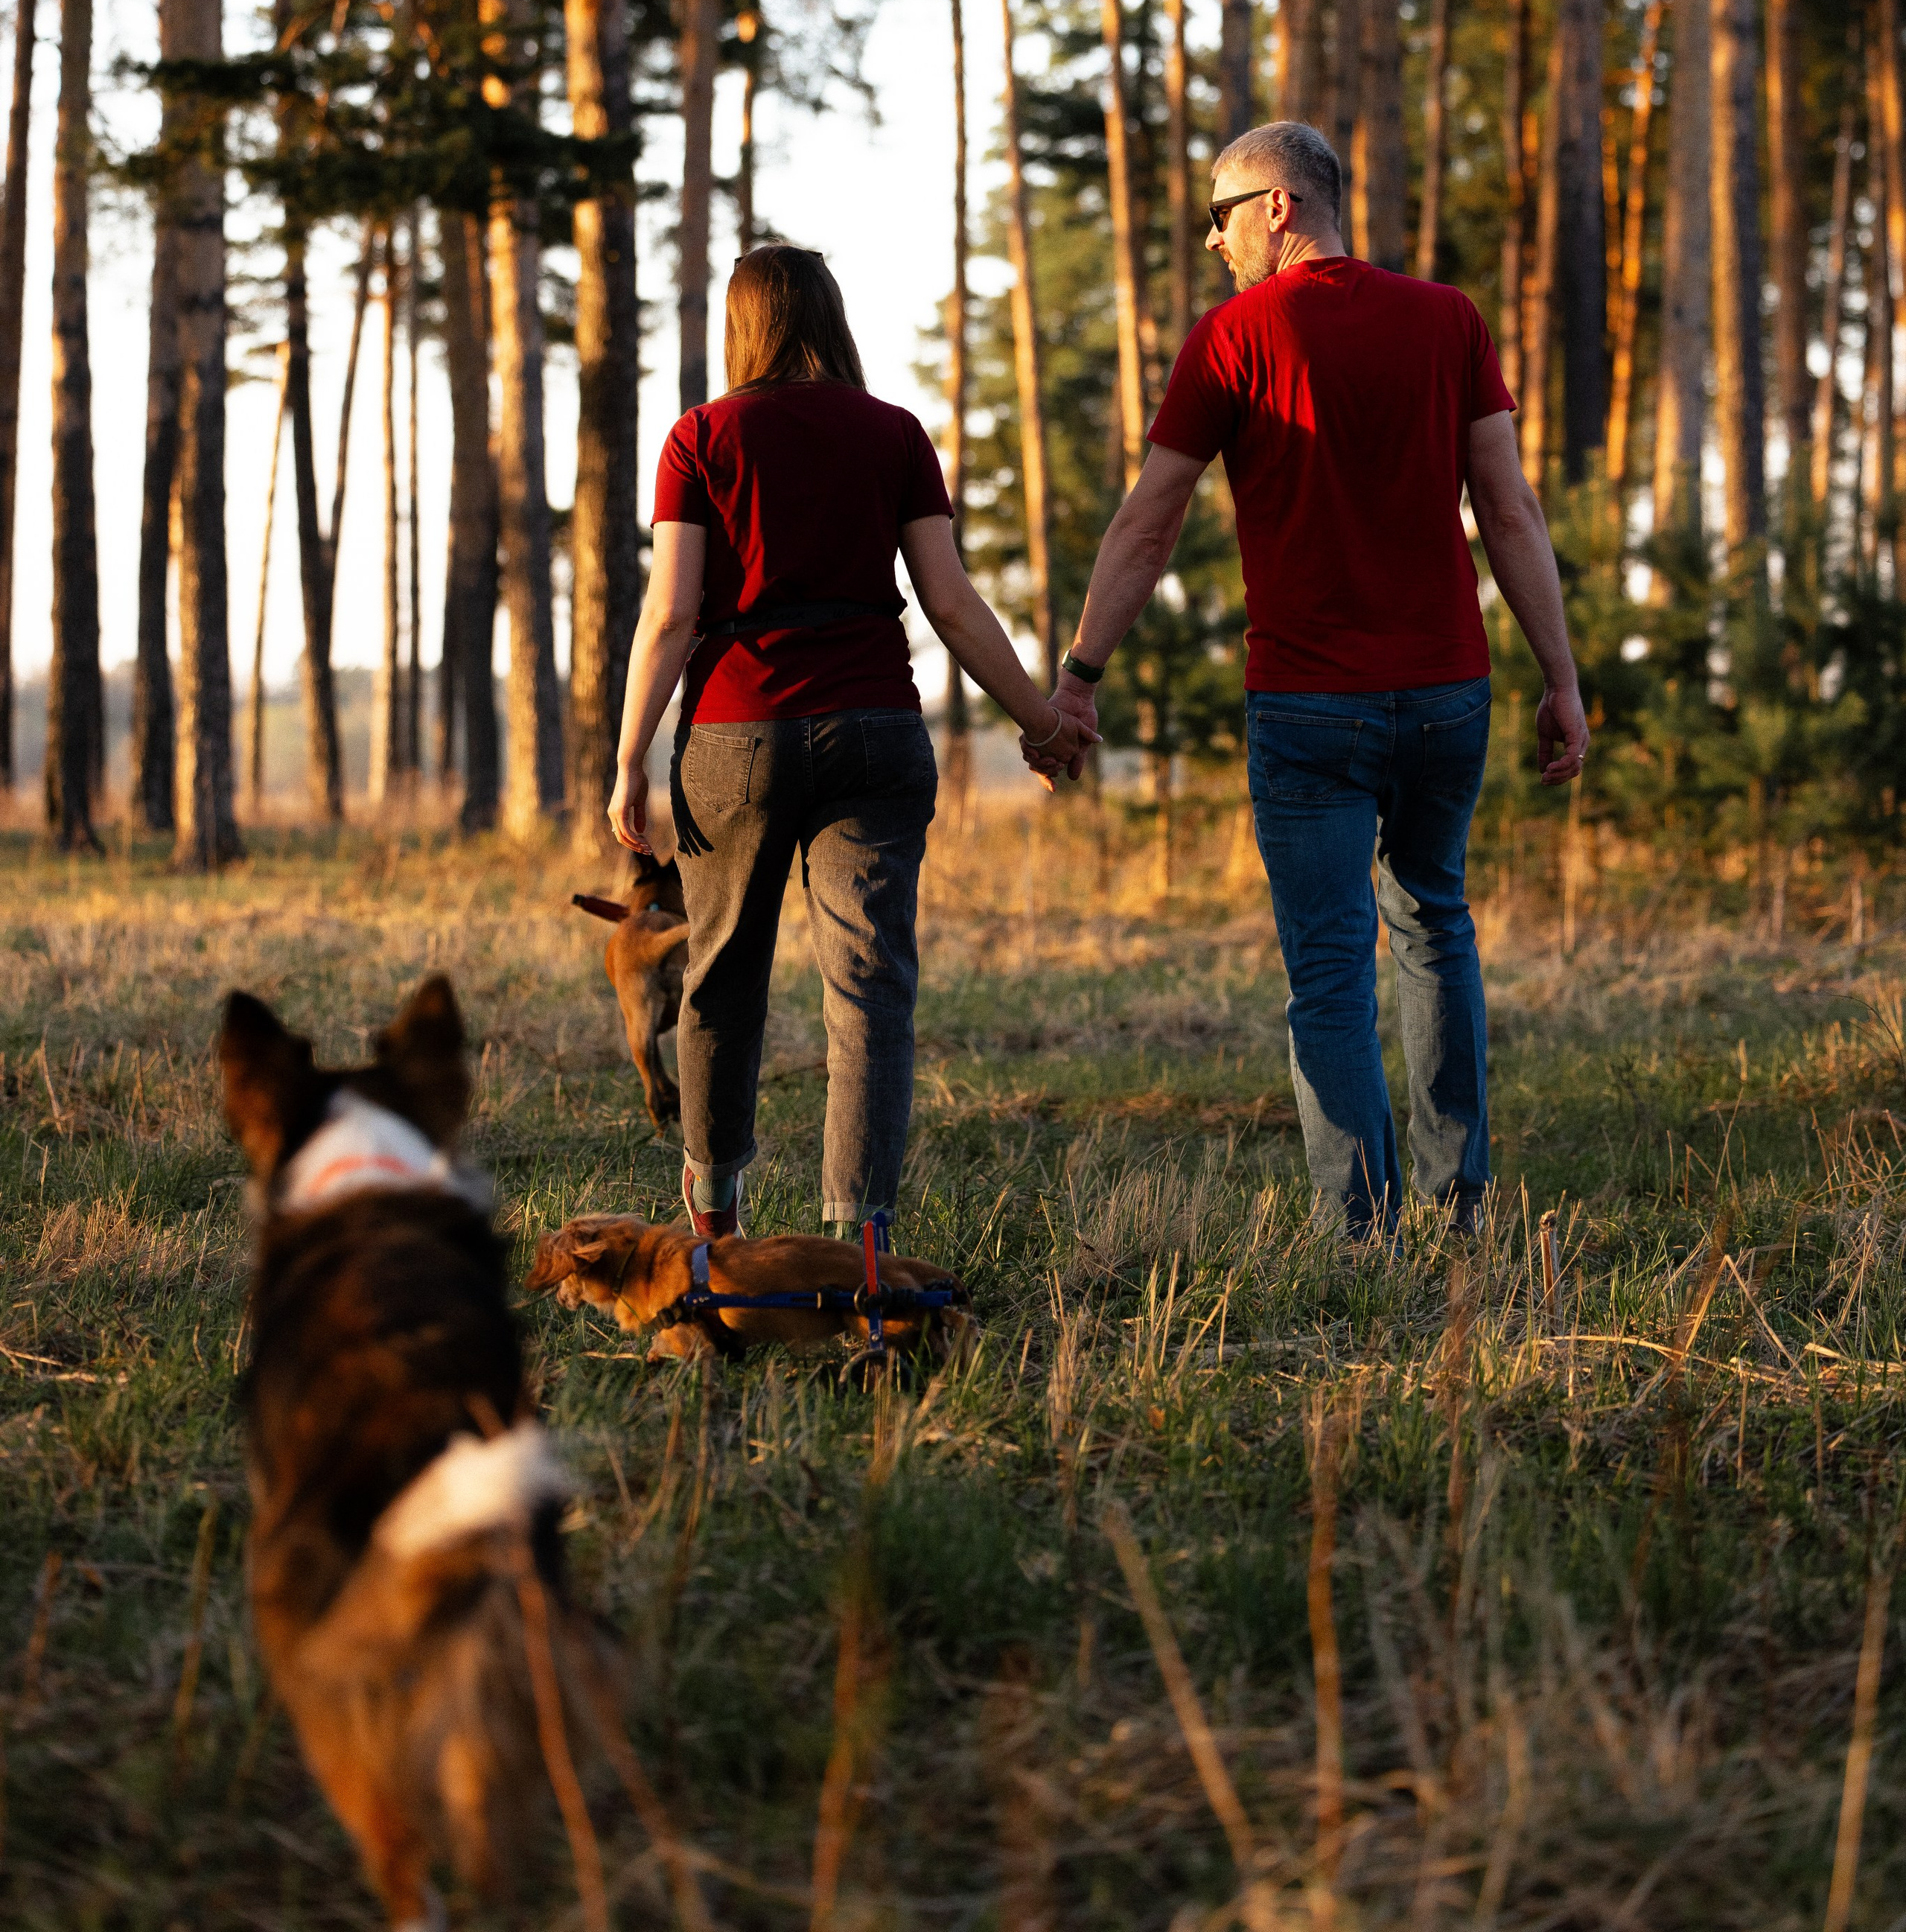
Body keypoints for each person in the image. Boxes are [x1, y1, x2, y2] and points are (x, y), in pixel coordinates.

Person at [1027, 121, 1588, 1237]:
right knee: (1436, 924)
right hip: (1446, 691)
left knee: (1330, 960)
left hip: (1308, 703)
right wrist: (1560, 678)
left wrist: (1080, 674)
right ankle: (1460, 1203)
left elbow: (1149, 522)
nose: (1216, 240)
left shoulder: (1232, 336)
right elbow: (1510, 510)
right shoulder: (1450, 322)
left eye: (1223, 215)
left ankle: (1362, 1227)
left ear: (1279, 206)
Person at [608, 243, 1092, 1243]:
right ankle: (858, 1257)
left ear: (744, 326)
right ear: (831, 319)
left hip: (735, 734)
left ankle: (714, 1238)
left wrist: (628, 759)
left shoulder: (699, 438)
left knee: (722, 978)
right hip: (874, 729)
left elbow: (670, 614)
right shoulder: (896, 434)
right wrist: (1041, 724)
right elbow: (950, 603)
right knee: (869, 990)